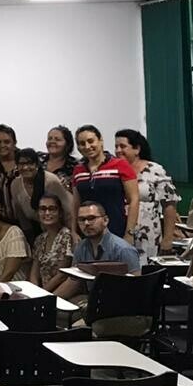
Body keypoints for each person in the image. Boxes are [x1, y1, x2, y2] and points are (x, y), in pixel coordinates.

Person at [114, 129, 180, 260]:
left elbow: (169, 205)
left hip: (147, 232)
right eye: (116, 146)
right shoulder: (115, 170)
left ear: (136, 149)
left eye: (122, 146)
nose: (118, 150)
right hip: (120, 230)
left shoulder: (155, 170)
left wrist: (168, 239)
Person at [56, 201, 142, 300]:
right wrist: (49, 301)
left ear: (105, 220)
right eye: (81, 219)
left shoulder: (124, 250)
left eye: (91, 218)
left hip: (119, 303)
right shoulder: (80, 247)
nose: (86, 223)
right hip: (93, 300)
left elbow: (136, 288)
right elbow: (74, 281)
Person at [72, 125, 139, 241]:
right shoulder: (78, 170)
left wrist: (130, 233)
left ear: (100, 140)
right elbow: (76, 204)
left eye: (91, 141)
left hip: (116, 232)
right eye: (82, 143)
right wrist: (73, 231)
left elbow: (134, 200)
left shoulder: (120, 165)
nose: (87, 147)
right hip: (86, 234)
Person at [8, 148, 75, 241]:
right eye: (22, 164)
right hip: (37, 232)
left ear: (36, 165)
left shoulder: (51, 181)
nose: (26, 167)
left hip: (62, 229)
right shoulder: (15, 185)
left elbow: (68, 212)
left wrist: (73, 234)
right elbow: (22, 217)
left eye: (30, 163)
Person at [29, 196, 74, 293]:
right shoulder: (40, 239)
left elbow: (62, 275)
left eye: (52, 209)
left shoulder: (66, 236)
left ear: (60, 213)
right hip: (42, 291)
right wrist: (34, 292)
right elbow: (34, 272)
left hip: (62, 291)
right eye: (43, 209)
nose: (47, 213)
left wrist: (42, 293)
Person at [0, 125, 20, 216]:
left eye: (6, 142)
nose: (2, 145)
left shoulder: (26, 162)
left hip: (30, 222)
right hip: (2, 222)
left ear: (14, 143)